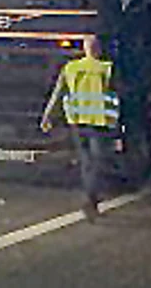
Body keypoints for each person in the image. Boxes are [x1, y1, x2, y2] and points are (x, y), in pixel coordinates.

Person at [41, 34, 119, 221]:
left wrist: (47, 116)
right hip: (99, 122)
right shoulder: (106, 69)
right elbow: (117, 96)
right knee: (98, 161)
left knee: (86, 161)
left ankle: (89, 197)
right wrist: (119, 127)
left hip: (77, 121)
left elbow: (58, 93)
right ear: (98, 49)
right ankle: (91, 199)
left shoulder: (71, 68)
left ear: (85, 49)